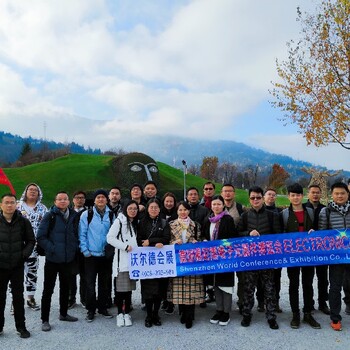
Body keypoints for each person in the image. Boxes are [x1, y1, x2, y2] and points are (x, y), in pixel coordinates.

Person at [237, 186, 280, 330]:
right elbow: (237, 234)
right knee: (249, 289)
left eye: (258, 197)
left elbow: (278, 236)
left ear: (263, 198)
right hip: (250, 259)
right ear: (249, 200)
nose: (255, 200)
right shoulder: (244, 216)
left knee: (269, 289)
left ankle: (271, 316)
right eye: (252, 198)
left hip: (266, 259)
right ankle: (247, 315)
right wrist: (248, 234)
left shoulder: (271, 215)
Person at [37, 191, 79, 332]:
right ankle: (45, 319)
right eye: (59, 199)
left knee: (65, 288)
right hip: (53, 259)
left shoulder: (73, 215)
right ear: (55, 201)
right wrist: (52, 249)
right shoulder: (50, 216)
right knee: (48, 290)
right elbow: (41, 237)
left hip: (67, 259)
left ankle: (63, 313)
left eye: (65, 199)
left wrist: (73, 249)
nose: (62, 201)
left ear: (69, 201)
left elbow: (76, 234)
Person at [282, 183, 321, 329]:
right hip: (292, 255)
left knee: (308, 284)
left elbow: (319, 231)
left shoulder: (310, 212)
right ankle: (295, 314)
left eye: (298, 195)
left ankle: (308, 313)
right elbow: (280, 236)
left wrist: (314, 233)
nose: (296, 198)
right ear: (289, 197)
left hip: (308, 255)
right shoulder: (284, 214)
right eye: (293, 195)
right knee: (293, 284)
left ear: (302, 196)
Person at [0, 193, 35, 338]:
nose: (9, 205)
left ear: (16, 204)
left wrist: (23, 255)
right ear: (1, 205)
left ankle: (21, 327)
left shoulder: (23, 221)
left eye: (12, 202)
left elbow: (31, 240)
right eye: (6, 202)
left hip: (17, 266)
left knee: (18, 298)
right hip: (0, 266)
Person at [319, 182, 350, 331]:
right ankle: (335, 317)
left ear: (347, 194)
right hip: (336, 257)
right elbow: (322, 235)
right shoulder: (326, 212)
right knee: (335, 287)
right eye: (337, 193)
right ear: (332, 195)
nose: (340, 196)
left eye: (342, 193)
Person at [79, 189, 114, 322]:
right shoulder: (87, 214)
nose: (100, 200)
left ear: (107, 200)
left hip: (105, 255)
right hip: (91, 255)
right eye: (98, 197)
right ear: (94, 200)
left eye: (103, 197)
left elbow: (114, 233)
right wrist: (85, 250)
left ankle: (103, 307)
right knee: (90, 283)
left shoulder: (111, 215)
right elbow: (82, 233)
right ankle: (91, 309)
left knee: (104, 283)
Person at [168, 201, 204, 329]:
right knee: (180, 289)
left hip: (192, 261)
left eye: (185, 210)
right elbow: (167, 241)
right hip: (177, 261)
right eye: (180, 210)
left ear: (189, 211)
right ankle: (182, 312)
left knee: (191, 290)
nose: (183, 212)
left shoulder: (195, 225)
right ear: (177, 211)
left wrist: (196, 242)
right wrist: (173, 242)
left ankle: (190, 316)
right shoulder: (171, 225)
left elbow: (201, 240)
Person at [202, 195, 237, 326]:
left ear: (223, 206)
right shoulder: (208, 220)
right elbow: (204, 235)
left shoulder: (228, 219)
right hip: (212, 258)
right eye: (214, 204)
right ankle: (218, 309)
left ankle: (226, 312)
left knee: (226, 285)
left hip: (225, 258)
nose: (216, 206)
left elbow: (233, 238)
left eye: (218, 204)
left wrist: (223, 247)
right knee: (216, 283)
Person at [137, 198, 170, 327]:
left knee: (159, 290)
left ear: (159, 209)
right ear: (147, 208)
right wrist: (151, 242)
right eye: (151, 207)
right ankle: (148, 315)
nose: (154, 209)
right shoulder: (142, 222)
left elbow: (166, 238)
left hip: (160, 261)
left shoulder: (163, 222)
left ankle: (156, 314)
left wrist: (151, 241)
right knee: (148, 291)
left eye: (156, 207)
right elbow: (139, 239)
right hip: (146, 262)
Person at [107, 200, 139, 327]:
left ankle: (127, 313)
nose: (133, 211)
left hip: (132, 262)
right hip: (122, 262)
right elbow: (109, 238)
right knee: (120, 290)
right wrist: (125, 246)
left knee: (128, 290)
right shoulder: (119, 221)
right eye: (130, 208)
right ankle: (120, 313)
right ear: (125, 209)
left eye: (135, 209)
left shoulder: (133, 223)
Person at [16, 183, 48, 311]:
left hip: (34, 247)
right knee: (15, 275)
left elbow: (46, 227)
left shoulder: (43, 208)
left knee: (32, 274)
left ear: (39, 193)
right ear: (26, 191)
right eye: (30, 189)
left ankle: (30, 298)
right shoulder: (17, 205)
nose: (33, 192)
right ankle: (15, 302)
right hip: (17, 246)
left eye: (36, 190)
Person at [256, 188, 283, 313]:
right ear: (263, 197)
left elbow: (280, 233)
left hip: (273, 251)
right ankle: (261, 301)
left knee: (276, 278)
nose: (271, 197)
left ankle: (274, 301)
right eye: (269, 194)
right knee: (260, 278)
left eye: (273, 195)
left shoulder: (279, 212)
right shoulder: (256, 212)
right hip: (260, 252)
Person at [305, 184, 329, 315]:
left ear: (321, 194)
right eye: (313, 192)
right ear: (308, 193)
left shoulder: (325, 209)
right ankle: (309, 304)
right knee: (308, 278)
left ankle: (323, 302)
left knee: (323, 278)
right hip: (307, 250)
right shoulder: (303, 208)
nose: (315, 195)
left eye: (317, 192)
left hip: (322, 249)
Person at [221, 183, 245, 313]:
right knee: (224, 277)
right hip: (223, 250)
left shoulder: (240, 208)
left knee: (242, 277)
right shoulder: (217, 207)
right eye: (225, 191)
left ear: (234, 193)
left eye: (230, 191)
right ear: (221, 193)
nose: (227, 193)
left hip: (238, 248)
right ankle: (223, 304)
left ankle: (242, 302)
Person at [68, 191, 87, 309]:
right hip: (72, 248)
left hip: (84, 247)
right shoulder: (69, 212)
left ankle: (84, 298)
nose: (79, 200)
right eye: (77, 198)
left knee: (85, 275)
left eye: (82, 198)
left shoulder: (89, 212)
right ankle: (71, 298)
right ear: (73, 200)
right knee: (71, 275)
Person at [159, 192, 178, 314]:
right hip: (161, 250)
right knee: (163, 278)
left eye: (171, 201)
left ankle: (171, 302)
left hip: (174, 251)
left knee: (173, 278)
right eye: (167, 201)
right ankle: (164, 300)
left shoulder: (178, 214)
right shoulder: (158, 214)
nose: (169, 203)